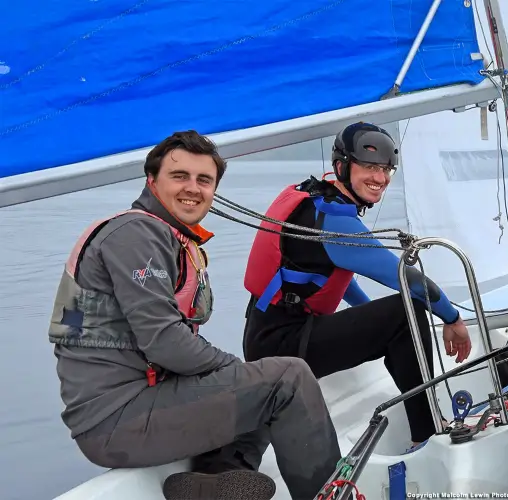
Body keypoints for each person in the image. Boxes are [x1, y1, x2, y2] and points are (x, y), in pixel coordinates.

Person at [48, 131, 341, 500]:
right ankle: (333, 496)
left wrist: (237, 373)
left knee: (259, 378)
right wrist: (233, 368)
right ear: (151, 181)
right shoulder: (136, 234)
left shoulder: (166, 236)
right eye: (179, 176)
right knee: (288, 377)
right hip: (117, 420)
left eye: (204, 180)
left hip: (139, 406)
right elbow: (167, 343)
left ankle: (215, 481)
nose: (193, 188)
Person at [242, 121, 473, 448]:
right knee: (406, 312)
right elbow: (408, 281)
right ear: (342, 166)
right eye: (369, 167)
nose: (380, 178)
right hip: (283, 347)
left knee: (397, 318)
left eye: (386, 169)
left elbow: (326, 278)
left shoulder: (316, 198)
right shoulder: (333, 219)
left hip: (266, 336)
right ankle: (428, 431)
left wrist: (369, 319)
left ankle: (426, 424)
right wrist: (453, 319)